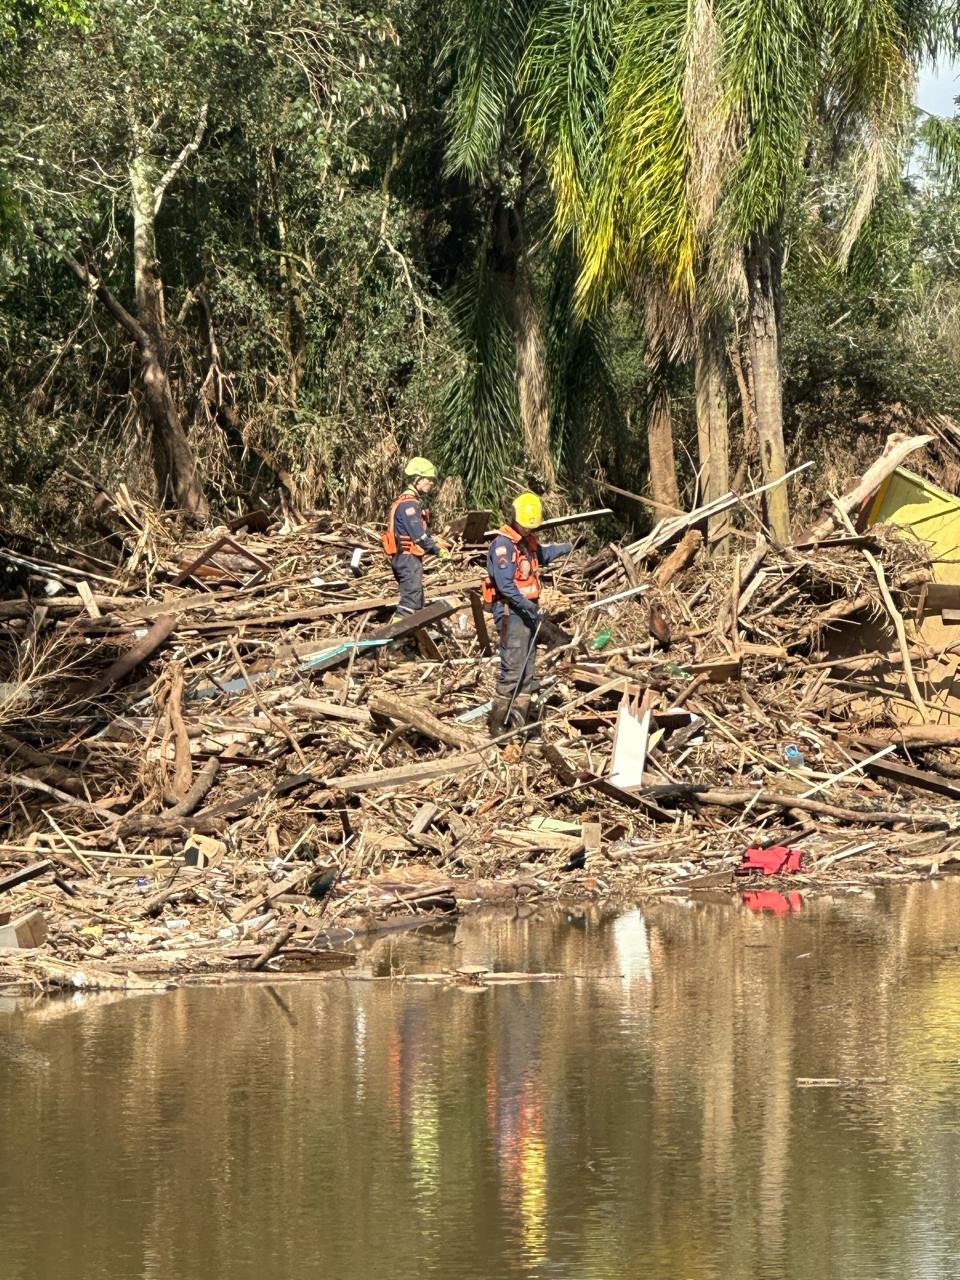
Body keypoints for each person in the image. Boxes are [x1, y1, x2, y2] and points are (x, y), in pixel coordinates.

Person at [483, 491, 572, 734]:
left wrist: (567, 547)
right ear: (515, 518)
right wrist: (531, 607)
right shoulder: (503, 546)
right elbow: (506, 586)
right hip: (512, 613)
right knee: (512, 668)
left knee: (527, 670)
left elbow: (542, 556)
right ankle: (497, 724)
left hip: (528, 614)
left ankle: (518, 721)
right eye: (525, 525)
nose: (527, 530)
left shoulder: (526, 542)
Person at [382, 457, 451, 619]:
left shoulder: (406, 502)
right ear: (417, 479)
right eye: (430, 479)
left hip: (406, 558)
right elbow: (418, 536)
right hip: (407, 559)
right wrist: (437, 551)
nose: (432, 483)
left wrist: (434, 540)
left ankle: (414, 641)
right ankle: (393, 639)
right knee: (410, 602)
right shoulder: (409, 505)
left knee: (418, 601)